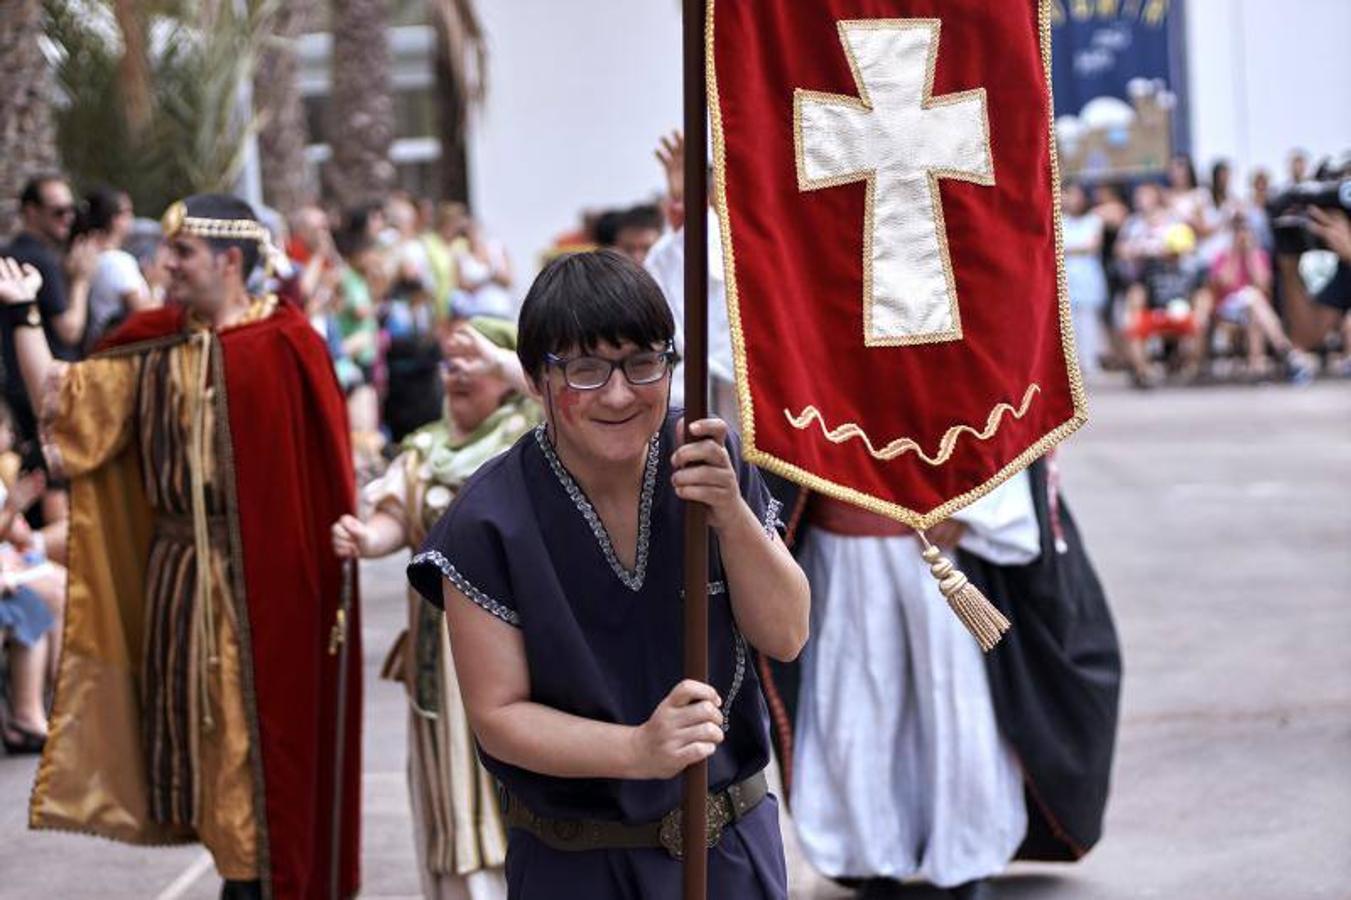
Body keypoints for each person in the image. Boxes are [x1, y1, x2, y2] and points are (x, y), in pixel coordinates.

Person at [406, 250, 808, 899]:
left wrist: (731, 515)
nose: (619, 394)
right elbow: (499, 716)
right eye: (586, 371)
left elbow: (786, 633)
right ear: (536, 380)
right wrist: (636, 750)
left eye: (642, 364)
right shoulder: (487, 520)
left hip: (728, 851)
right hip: (577, 864)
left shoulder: (709, 456)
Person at [0, 192, 361, 900]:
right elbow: (65, 405)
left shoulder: (288, 345)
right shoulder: (153, 343)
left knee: (263, 751)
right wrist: (24, 315)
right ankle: (245, 877)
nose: (163, 264)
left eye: (181, 252)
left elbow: (323, 481)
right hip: (182, 585)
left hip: (269, 583)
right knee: (211, 757)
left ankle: (259, 882)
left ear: (229, 262)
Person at [333, 318, 539, 900]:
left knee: (509, 788)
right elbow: (394, 520)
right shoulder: (425, 447)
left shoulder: (530, 438)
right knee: (445, 793)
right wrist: (363, 537)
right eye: (449, 363)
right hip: (437, 657)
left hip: (514, 653)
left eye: (473, 361)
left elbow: (560, 399)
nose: (456, 375)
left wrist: (510, 366)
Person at [1208, 214, 1314, 381]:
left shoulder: (1259, 255)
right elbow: (1225, 283)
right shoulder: (1222, 256)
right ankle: (1286, 351)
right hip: (1228, 309)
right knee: (1253, 298)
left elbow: (1263, 284)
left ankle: (1257, 368)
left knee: (1254, 307)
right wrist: (1235, 254)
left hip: (1253, 308)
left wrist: (1250, 254)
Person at [81, 187, 154, 350]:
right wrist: (158, 284)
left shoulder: (91, 258)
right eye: (127, 212)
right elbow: (144, 313)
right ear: (114, 219)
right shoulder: (118, 262)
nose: (132, 218)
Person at [1061, 182, 1109, 374]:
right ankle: (1071, 365)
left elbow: (1092, 246)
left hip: (1088, 275)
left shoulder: (1093, 220)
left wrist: (1066, 249)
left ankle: (1089, 361)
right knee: (1068, 323)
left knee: (1088, 321)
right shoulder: (1059, 220)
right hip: (1066, 277)